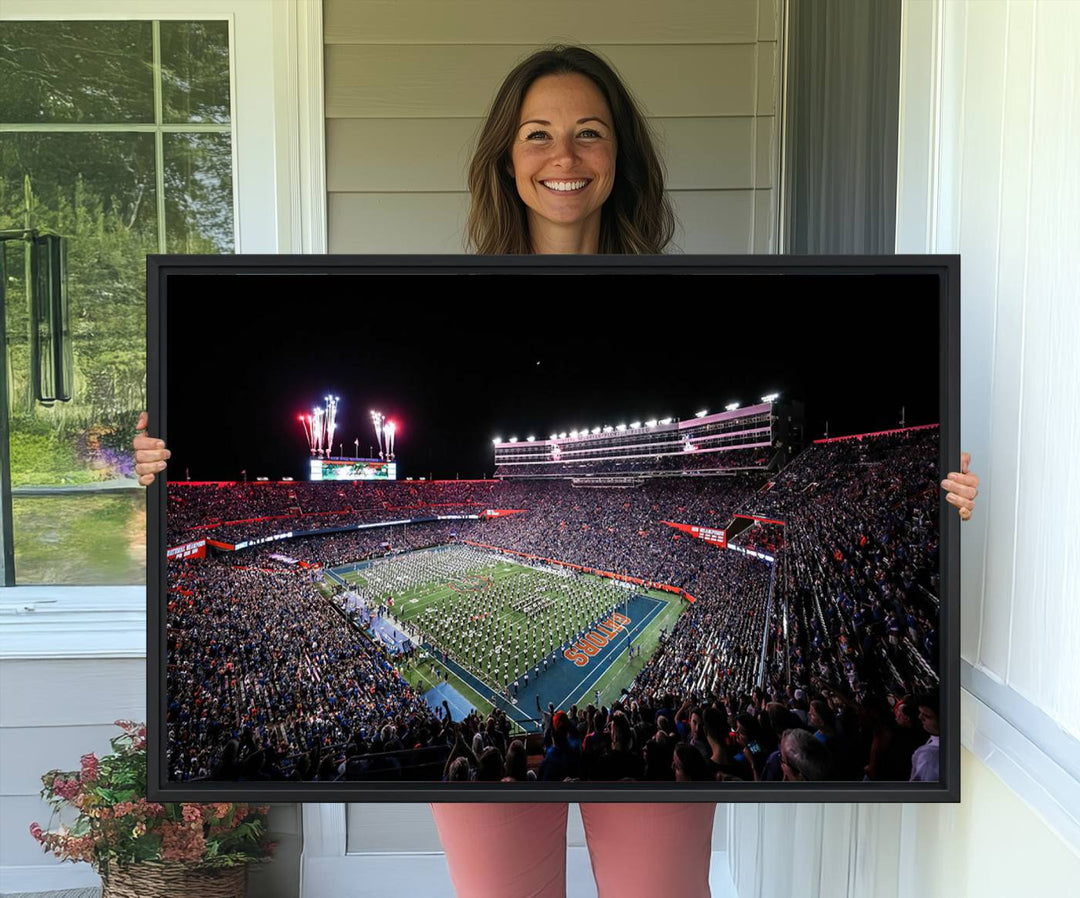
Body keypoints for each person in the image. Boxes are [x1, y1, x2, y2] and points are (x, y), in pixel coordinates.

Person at [135, 43, 980, 898]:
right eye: (537, 134)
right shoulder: (453, 288)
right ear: (506, 158)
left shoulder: (679, 293)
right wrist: (155, 474)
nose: (564, 157)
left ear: (622, 158)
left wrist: (941, 501)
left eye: (590, 133)